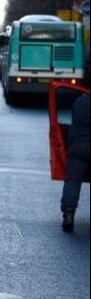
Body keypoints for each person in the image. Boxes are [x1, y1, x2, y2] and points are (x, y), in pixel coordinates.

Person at [60, 92, 89, 233]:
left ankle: (69, 214)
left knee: (72, 181)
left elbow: (74, 121)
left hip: (78, 148)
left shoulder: (79, 102)